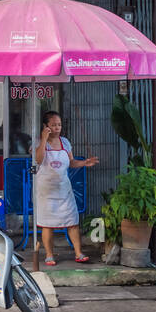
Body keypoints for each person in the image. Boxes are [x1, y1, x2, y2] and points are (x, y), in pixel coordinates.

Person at [32, 110, 98, 266]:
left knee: (72, 221)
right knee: (48, 224)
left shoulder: (65, 142)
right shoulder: (37, 143)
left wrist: (84, 163)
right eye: (53, 125)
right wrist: (43, 139)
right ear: (46, 126)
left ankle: (78, 253)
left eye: (59, 125)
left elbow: (71, 162)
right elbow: (38, 159)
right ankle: (49, 255)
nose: (57, 128)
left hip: (64, 189)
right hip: (46, 191)